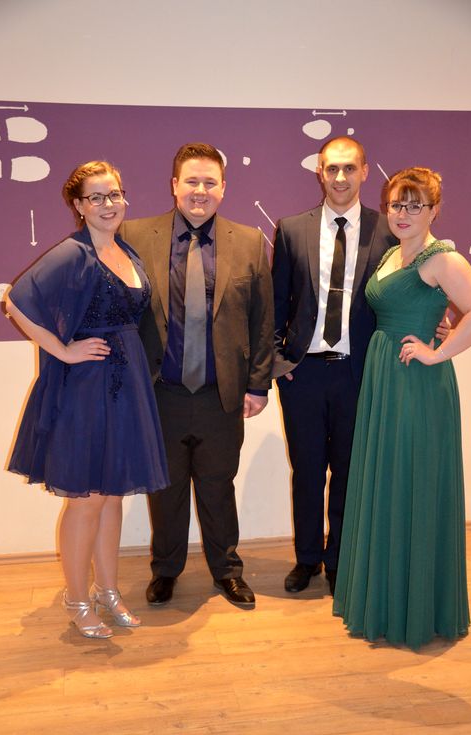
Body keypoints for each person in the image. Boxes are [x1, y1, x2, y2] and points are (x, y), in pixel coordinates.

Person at [333, 166, 471, 649]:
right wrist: (438, 324)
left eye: (414, 205)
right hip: (384, 378)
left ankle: (416, 608)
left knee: (412, 482)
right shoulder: (393, 253)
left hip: (416, 384)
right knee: (387, 482)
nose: (402, 214)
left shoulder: (442, 257)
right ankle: (384, 601)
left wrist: (438, 352)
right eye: (396, 205)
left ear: (434, 210)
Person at [5, 160, 169, 639]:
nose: (107, 204)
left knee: (112, 495)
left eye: (113, 194)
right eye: (96, 197)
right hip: (88, 390)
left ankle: (107, 591)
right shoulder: (72, 253)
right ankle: (77, 600)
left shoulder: (125, 250)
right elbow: (15, 300)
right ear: (79, 206)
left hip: (126, 386)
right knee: (88, 501)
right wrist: (63, 351)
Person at [119, 142, 274, 608]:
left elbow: (262, 320)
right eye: (192, 181)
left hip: (219, 394)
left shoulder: (248, 241)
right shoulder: (134, 235)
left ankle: (227, 571)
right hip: (159, 393)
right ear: (174, 185)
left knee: (217, 486)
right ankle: (165, 570)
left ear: (224, 188)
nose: (200, 191)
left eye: (210, 182)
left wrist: (258, 384)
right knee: (164, 489)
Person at [272, 136, 401, 596]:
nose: (340, 177)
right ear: (320, 172)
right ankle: (307, 559)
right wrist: (279, 361)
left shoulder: (388, 231)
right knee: (307, 472)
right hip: (303, 374)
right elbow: (277, 301)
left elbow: (405, 292)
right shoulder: (292, 229)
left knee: (350, 473)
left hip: (359, 374)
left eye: (349, 168)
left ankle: (341, 561)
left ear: (365, 171)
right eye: (331, 168)